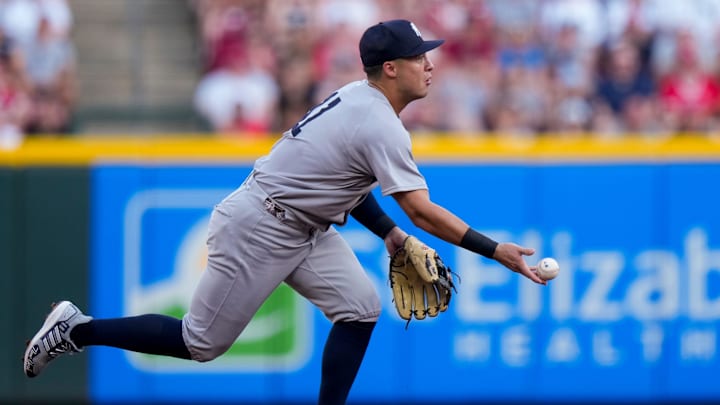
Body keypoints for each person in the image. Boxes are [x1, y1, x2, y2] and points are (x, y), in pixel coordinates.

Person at [23, 19, 546, 405]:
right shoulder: (379, 122)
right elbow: (423, 214)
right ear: (391, 68)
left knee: (360, 307)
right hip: (259, 226)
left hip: (302, 226)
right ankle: (76, 328)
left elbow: (344, 182)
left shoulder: (360, 97)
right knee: (200, 343)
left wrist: (385, 234)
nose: (429, 64)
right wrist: (494, 250)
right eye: (418, 57)